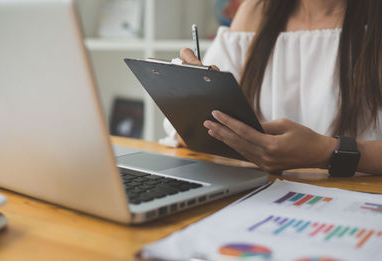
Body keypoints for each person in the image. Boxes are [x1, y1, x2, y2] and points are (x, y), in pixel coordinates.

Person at [163, 0, 382, 175]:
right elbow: (189, 134)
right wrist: (198, 103)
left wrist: (327, 152)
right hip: (265, 198)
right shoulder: (255, 12)